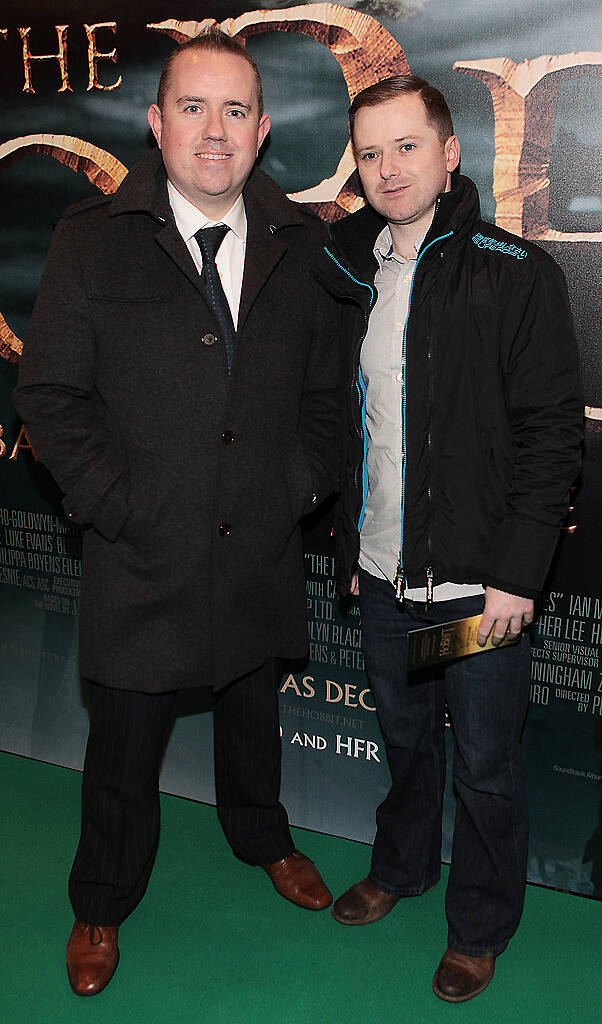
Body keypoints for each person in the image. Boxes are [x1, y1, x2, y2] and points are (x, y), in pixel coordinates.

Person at [15, 28, 340, 997]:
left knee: (253, 718)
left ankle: (264, 839)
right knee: (121, 750)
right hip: (140, 552)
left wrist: (290, 491)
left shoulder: (303, 242)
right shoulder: (88, 237)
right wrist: (116, 504)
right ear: (156, 124)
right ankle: (102, 901)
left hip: (258, 546)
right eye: (192, 107)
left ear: (263, 129)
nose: (214, 130)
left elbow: (326, 404)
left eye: (235, 110)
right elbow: (50, 398)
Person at [314, 76, 582, 1002]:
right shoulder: (348, 270)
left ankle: (479, 926)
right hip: (384, 575)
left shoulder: (514, 273)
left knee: (485, 764)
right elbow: (351, 425)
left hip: (478, 587)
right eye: (372, 152)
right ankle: (402, 869)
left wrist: (518, 576)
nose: (389, 169)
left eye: (407, 146)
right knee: (404, 740)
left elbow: (554, 438)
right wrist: (354, 547)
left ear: (450, 152)